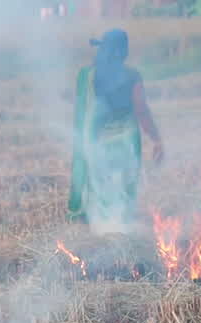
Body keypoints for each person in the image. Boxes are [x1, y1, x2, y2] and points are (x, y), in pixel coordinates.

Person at [68, 29, 164, 232]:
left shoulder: (85, 75)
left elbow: (81, 111)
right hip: (126, 144)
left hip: (95, 141)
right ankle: (121, 229)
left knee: (99, 185)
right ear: (123, 50)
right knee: (124, 188)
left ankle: (101, 229)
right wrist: (156, 139)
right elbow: (141, 110)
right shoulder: (132, 75)